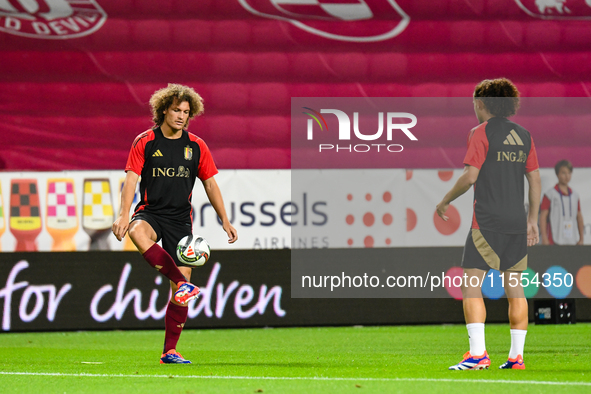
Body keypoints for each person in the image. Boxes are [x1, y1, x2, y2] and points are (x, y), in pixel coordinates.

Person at [112, 84, 238, 364]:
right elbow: (131, 179)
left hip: (180, 222)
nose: (181, 116)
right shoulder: (145, 141)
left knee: (179, 296)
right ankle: (183, 283)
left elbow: (210, 184)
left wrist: (225, 220)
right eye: (177, 110)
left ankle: (170, 351)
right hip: (151, 212)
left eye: (186, 112)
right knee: (136, 232)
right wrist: (123, 215)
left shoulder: (196, 146)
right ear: (163, 110)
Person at [436, 78, 541, 370]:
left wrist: (444, 201)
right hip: (517, 224)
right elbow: (534, 178)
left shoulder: (479, 133)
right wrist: (532, 220)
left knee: (471, 287)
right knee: (515, 289)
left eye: (474, 103)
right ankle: (516, 357)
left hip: (487, 222)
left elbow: (470, 176)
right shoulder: (525, 135)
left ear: (481, 104)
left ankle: (477, 355)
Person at [540, 160, 584, 245]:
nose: (567, 176)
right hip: (554, 240)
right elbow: (543, 217)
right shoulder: (550, 194)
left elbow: (579, 217)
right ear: (557, 174)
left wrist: (581, 238)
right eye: (563, 173)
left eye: (569, 173)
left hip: (572, 241)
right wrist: (544, 238)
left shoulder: (575, 195)